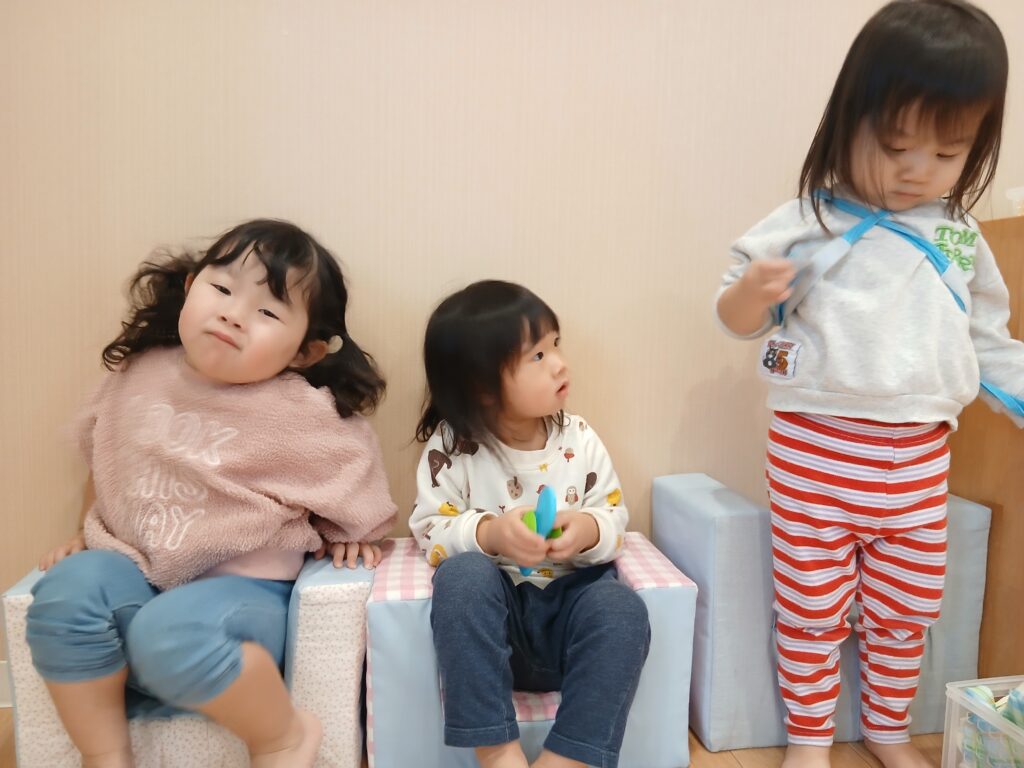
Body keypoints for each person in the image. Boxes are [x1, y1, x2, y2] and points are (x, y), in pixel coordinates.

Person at [716, 2, 1022, 767]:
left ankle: (887, 732)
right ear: (848, 119)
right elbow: (737, 316)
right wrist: (753, 292)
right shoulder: (805, 220)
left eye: (948, 152)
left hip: (918, 458)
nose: (917, 169)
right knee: (810, 610)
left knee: (906, 611)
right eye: (895, 145)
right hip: (813, 451)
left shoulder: (958, 236)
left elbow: (990, 341)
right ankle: (809, 742)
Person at [27, 219, 397, 768]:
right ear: (190, 287)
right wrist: (85, 532)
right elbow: (105, 455)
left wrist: (353, 533)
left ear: (305, 351)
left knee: (169, 633)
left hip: (241, 596)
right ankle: (104, 755)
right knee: (63, 594)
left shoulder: (296, 409)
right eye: (221, 289)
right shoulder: (140, 372)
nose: (233, 314)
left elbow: (350, 472)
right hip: (133, 572)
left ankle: (283, 737)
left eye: (268, 312)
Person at [410, 280, 650, 768]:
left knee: (623, 609)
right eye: (537, 356)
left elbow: (613, 518)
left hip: (571, 610)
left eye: (555, 345)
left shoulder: (578, 438)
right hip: (497, 623)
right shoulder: (453, 448)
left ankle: (568, 758)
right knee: (462, 577)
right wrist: (492, 534)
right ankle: (498, 752)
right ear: (482, 387)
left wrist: (585, 530)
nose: (560, 363)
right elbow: (431, 528)